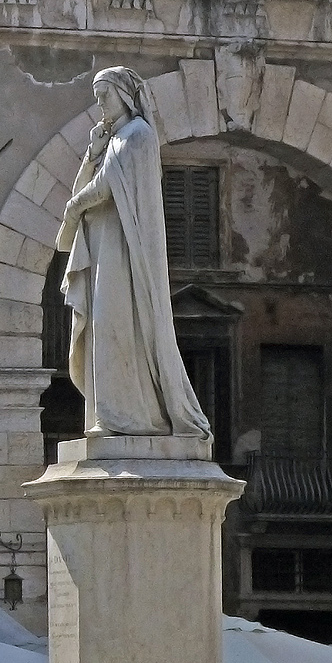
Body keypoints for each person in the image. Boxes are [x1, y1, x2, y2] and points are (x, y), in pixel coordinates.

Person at [57, 66, 209, 440]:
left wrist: (74, 207)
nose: (100, 105)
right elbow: (92, 182)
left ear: (124, 96)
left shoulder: (138, 136)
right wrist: (91, 154)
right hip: (106, 246)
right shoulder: (113, 141)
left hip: (125, 255)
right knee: (104, 328)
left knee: (118, 326)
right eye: (97, 99)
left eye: (104, 96)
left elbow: (104, 189)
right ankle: (109, 414)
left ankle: (128, 417)